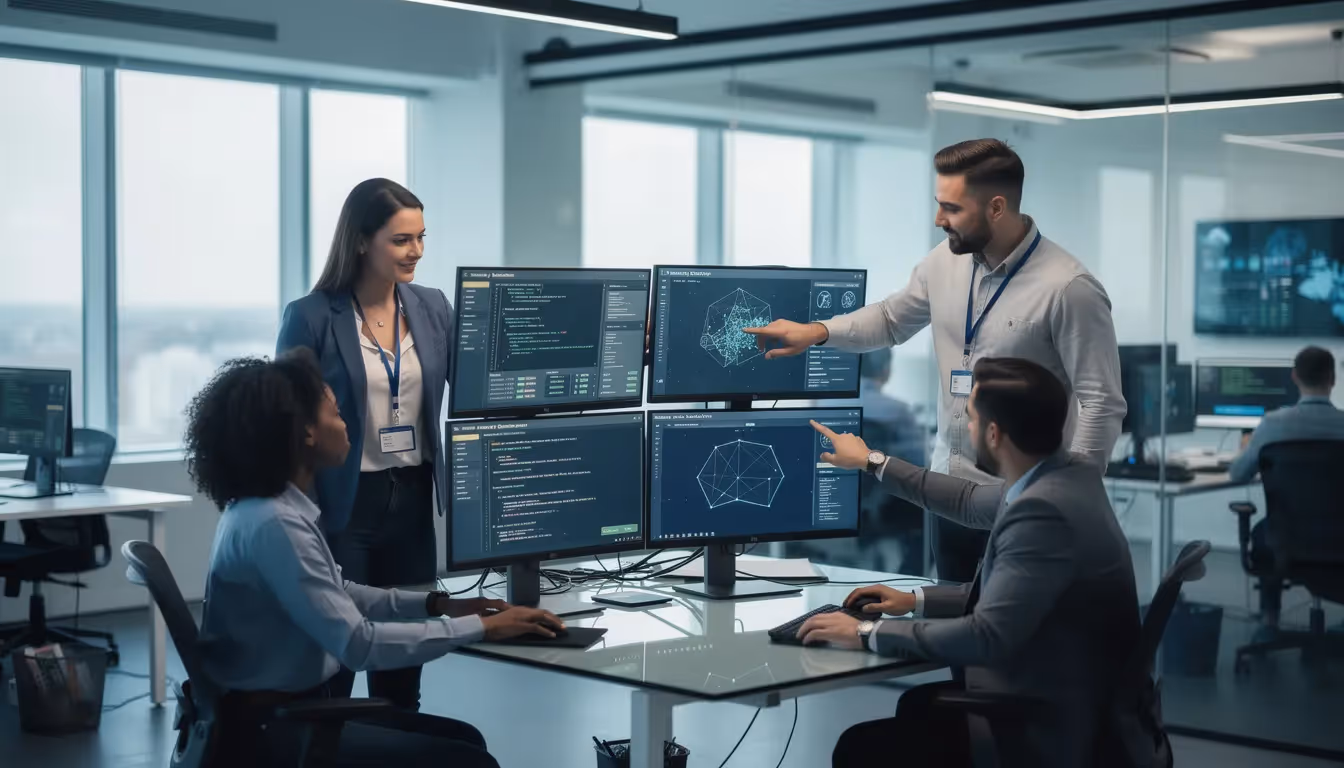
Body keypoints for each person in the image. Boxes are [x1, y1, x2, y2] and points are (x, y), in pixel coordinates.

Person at [744, 139, 1125, 584]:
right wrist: (818, 332)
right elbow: (889, 320)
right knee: (953, 620)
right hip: (951, 495)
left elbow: (1102, 404)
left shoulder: (1068, 288)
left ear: (997, 208)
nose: (938, 219)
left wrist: (1066, 499)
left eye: (951, 208)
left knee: (1011, 641)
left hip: (1026, 502)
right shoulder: (943, 263)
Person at [187, 353, 564, 768]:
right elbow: (359, 644)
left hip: (281, 712)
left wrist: (438, 604)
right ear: (306, 432)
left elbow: (339, 592)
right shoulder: (275, 526)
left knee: (465, 739)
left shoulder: (268, 509)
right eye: (334, 410)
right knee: (469, 761)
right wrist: (481, 628)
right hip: (276, 730)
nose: (347, 419)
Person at [799, 358, 1161, 768]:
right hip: (1075, 696)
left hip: (1050, 724)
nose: (966, 429)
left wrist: (866, 631)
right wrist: (914, 599)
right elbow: (968, 503)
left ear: (993, 433)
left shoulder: (1042, 512)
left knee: (858, 748)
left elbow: (987, 636)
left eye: (970, 418)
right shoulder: (1067, 477)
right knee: (916, 706)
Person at [277, 178, 452, 709]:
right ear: (361, 241)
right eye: (401, 240)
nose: (416, 251)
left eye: (421, 237)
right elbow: (284, 420)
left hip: (415, 497)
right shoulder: (311, 316)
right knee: (338, 663)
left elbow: (486, 377)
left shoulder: (433, 307)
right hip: (343, 503)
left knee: (405, 668)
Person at [1227, 345, 1344, 633]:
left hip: (1287, 539)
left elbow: (1238, 474)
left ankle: (1270, 621)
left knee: (1269, 531)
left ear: (1294, 377)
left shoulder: (1272, 425)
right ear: (1333, 379)